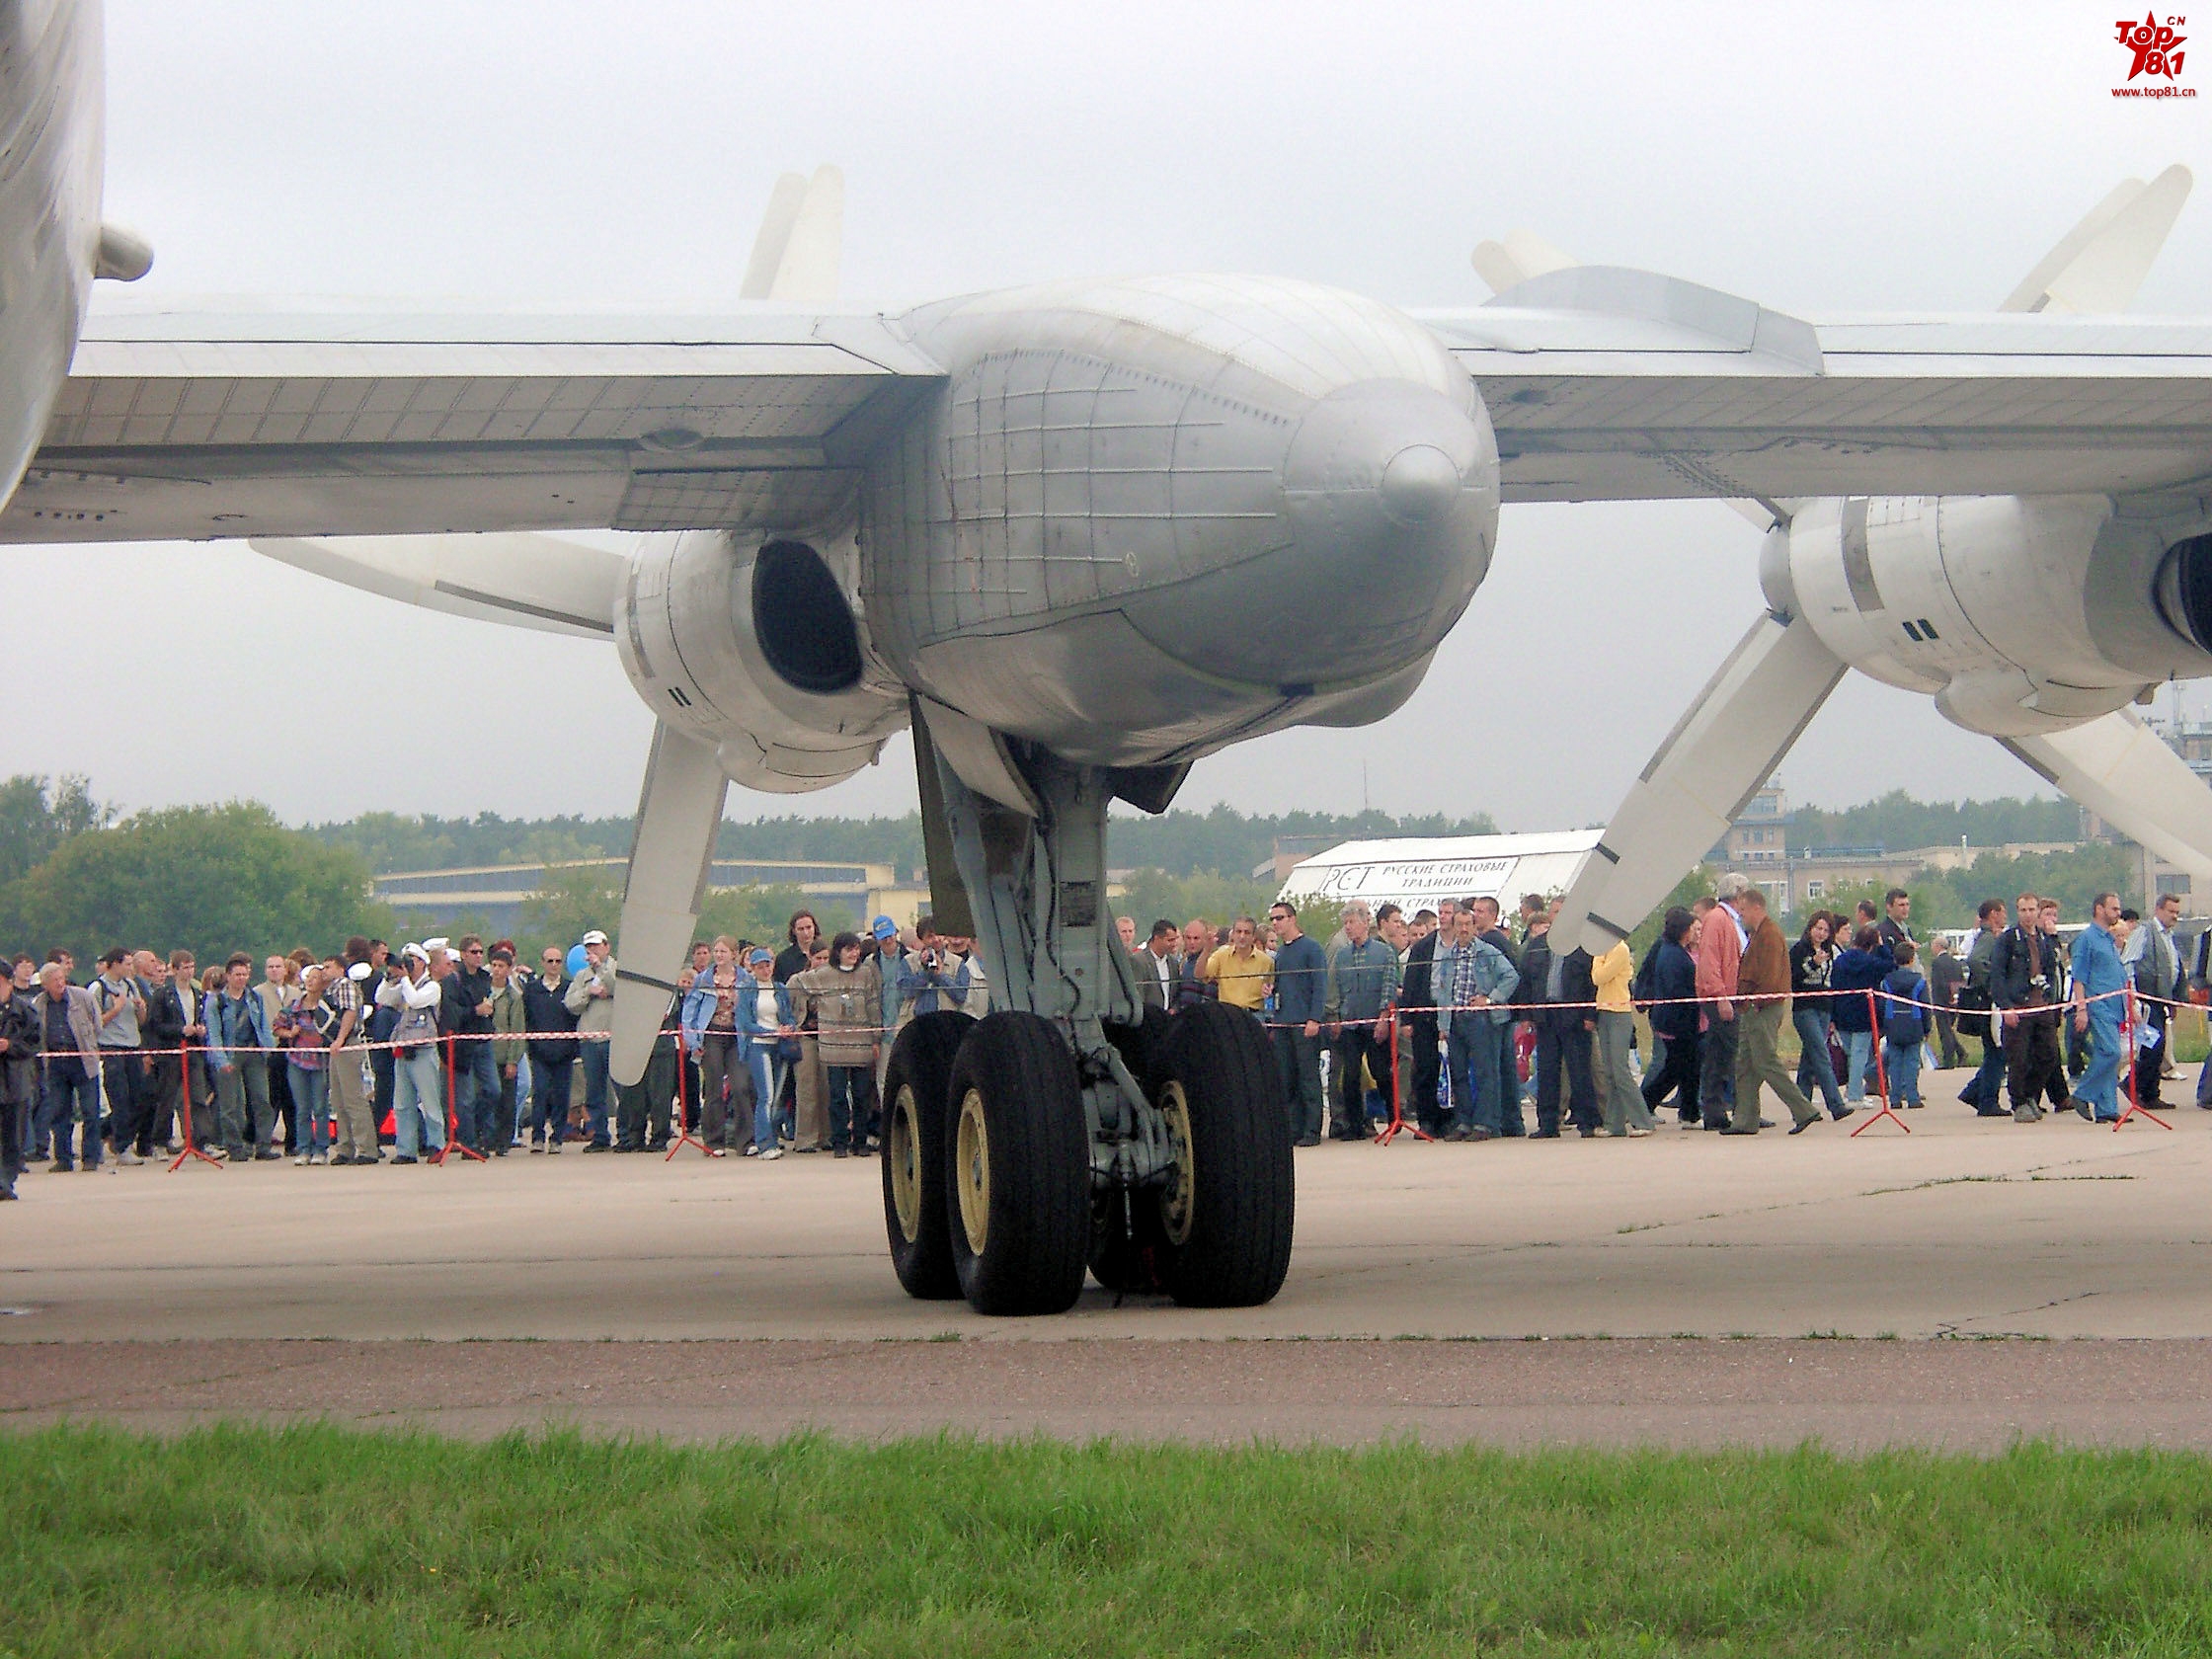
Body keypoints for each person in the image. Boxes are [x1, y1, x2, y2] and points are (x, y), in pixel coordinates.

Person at [1729, 888, 1822, 1135]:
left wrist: (1756, 1002)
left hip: (1763, 1007)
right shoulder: (1758, 934)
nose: (1741, 915)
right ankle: (1744, 1120)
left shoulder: (1769, 935)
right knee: (1745, 1065)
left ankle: (1803, 1110)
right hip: (1754, 1007)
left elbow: (1770, 975)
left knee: (1766, 1061)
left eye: (1744, 910)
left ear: (1757, 908)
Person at [789, 931, 883, 1157]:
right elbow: (794, 984)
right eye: (849, 949)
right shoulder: (824, 974)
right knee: (838, 1096)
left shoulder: (866, 974)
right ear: (838, 951)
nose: (854, 953)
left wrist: (876, 1038)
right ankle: (839, 1141)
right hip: (833, 1046)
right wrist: (802, 1014)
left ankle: (859, 1141)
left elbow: (872, 1005)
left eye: (856, 949)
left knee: (861, 1096)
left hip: (861, 1044)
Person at [1436, 906, 1519, 1140]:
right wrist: (1443, 1024)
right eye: (1459, 925)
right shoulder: (1448, 955)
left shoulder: (1487, 951)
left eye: (1467, 924)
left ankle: (1486, 1123)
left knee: (1485, 1072)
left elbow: (1511, 976)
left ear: (1474, 926)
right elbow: (1443, 991)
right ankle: (1463, 1121)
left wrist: (1490, 998)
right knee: (1458, 1073)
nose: (1463, 929)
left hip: (1481, 1020)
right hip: (1455, 1019)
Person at [1322, 903, 1396, 1139]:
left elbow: (1389, 986)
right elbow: (1335, 987)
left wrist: (1384, 1018)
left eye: (1352, 922)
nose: (1348, 927)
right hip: (1350, 1023)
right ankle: (1355, 1125)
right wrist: (1335, 1016)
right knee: (1350, 1074)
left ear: (1365, 923)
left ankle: (1394, 1115)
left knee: (1380, 1071)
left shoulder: (1383, 952)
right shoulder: (1342, 956)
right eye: (1345, 923)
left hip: (1375, 1021)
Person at [1991, 892, 2064, 1121]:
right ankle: (2019, 1101)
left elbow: (2052, 969)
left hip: (2041, 1005)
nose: (2028, 914)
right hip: (2018, 1006)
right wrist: (2005, 1006)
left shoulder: (2043, 939)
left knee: (2049, 1055)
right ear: (2017, 911)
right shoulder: (2008, 939)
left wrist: (2051, 998)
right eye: (2023, 910)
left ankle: (2031, 1094)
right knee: (2018, 1057)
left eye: (2032, 910)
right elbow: (1997, 973)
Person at [1266, 901, 1327, 1146]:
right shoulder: (1281, 952)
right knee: (1287, 1077)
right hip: (1283, 1022)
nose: (1275, 923)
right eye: (1272, 919)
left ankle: (1312, 1130)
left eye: (1279, 918)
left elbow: (1320, 985)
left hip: (1304, 1023)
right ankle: (1294, 1127)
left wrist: (1314, 1018)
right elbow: (1282, 986)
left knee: (1308, 1078)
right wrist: (1270, 991)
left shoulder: (1311, 948)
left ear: (1292, 918)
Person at [1693, 875, 1751, 1134]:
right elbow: (1709, 962)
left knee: (1719, 1055)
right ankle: (1739, 1110)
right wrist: (1721, 996)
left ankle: (1717, 1111)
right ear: (1738, 895)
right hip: (1722, 997)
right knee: (1731, 1055)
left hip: (1729, 996)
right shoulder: (1717, 919)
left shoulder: (1729, 920)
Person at [206, 954, 276, 1161]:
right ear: (228, 976)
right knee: (232, 1103)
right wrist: (221, 1060)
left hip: (254, 1052)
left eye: (245, 974)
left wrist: (268, 1049)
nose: (241, 978)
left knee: (262, 1099)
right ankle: (234, 1146)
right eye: (237, 974)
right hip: (230, 1053)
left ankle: (263, 1145)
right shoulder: (217, 1001)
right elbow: (214, 1032)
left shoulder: (255, 998)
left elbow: (264, 1025)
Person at [1637, 908, 1703, 1125]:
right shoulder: (1673, 955)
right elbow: (1676, 989)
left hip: (1676, 1019)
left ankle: (1688, 1111)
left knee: (1685, 1067)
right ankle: (1646, 1103)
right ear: (1683, 930)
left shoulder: (1672, 950)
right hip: (1677, 1020)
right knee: (1677, 1068)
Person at [34, 963, 102, 1171]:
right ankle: (63, 1159)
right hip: (55, 1063)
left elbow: (97, 1024)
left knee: (90, 1110)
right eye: (54, 981)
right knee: (60, 1112)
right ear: (45, 984)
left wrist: (90, 1046)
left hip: (82, 1060)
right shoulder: (39, 1005)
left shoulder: (82, 997)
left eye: (61, 978)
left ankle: (90, 1158)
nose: (60, 983)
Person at [683, 936, 747, 1156]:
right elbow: (689, 1010)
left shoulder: (745, 978)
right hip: (712, 1036)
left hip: (736, 1037)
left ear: (733, 954)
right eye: (716, 951)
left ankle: (745, 1141)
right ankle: (713, 1142)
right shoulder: (704, 979)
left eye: (723, 951)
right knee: (713, 1089)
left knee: (740, 1087)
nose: (719, 955)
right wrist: (692, 1040)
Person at [2070, 891, 2129, 1123]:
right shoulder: (2086, 939)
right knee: (2111, 1051)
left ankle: (2106, 1107)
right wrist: (2082, 1008)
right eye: (2113, 908)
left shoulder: (2109, 939)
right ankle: (2083, 1093)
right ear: (2099, 909)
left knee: (2111, 1056)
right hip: (2098, 1004)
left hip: (2115, 1005)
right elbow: (2079, 977)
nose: (2118, 913)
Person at [1396, 898, 1454, 1139]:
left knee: (1450, 1068)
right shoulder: (1423, 947)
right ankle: (1427, 1120)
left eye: (1448, 912)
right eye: (1440, 912)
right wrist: (1407, 1017)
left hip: (1451, 1014)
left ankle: (1450, 1119)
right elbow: (1411, 982)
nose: (1443, 916)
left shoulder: (1464, 946)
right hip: (1424, 1014)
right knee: (1425, 1068)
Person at [614, 960, 683, 1153]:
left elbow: (662, 1013)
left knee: (660, 1095)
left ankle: (659, 1137)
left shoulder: (668, 986)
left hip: (661, 1046)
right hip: (636, 1044)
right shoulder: (632, 987)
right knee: (634, 1093)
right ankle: (635, 1136)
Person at [441, 935, 502, 1155]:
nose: (478, 956)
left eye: (480, 952)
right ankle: (468, 1143)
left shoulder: (485, 978)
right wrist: (475, 1011)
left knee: (493, 1090)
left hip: (483, 1040)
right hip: (462, 1045)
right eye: (474, 952)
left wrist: (487, 1012)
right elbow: (451, 1013)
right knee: (464, 1098)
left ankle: (477, 1128)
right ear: (464, 954)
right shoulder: (452, 981)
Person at [273, 964, 338, 1164]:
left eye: (315, 978)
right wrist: (289, 1033)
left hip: (320, 1062)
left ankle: (321, 1148)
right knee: (301, 1107)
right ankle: (303, 1148)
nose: (310, 981)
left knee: (320, 1106)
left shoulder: (327, 1007)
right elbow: (277, 1027)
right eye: (308, 977)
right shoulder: (294, 1007)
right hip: (297, 1061)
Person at [87, 948, 148, 1164]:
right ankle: (123, 1146)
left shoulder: (131, 986)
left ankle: (103, 1132)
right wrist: (116, 1009)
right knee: (119, 1098)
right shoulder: (98, 988)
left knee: (140, 1096)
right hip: (111, 1048)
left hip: (132, 1045)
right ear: (114, 964)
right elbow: (93, 1024)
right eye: (127, 964)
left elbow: (141, 1021)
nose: (130, 968)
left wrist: (141, 1008)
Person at [1787, 912, 1850, 1121]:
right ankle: (1836, 1104)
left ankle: (1802, 1107)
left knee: (1809, 1059)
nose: (1821, 933)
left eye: (1825, 930)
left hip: (1824, 1007)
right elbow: (1794, 978)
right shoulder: (1799, 950)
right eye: (1818, 928)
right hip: (1805, 1008)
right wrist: (1813, 963)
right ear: (1810, 928)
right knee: (1822, 1055)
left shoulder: (1829, 951)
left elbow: (1830, 981)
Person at [2122, 892, 2180, 1108]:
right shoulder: (2144, 932)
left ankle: (2150, 1093)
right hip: (2146, 1000)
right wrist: (2134, 999)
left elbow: (2173, 969)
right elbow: (2128, 963)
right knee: (2152, 1047)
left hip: (2162, 1000)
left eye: (2177, 912)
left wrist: (2174, 1000)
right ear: (2158, 910)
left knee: (2159, 1047)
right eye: (2171, 911)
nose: (2174, 916)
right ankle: (2131, 1084)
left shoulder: (2168, 935)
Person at [1590, 935, 1652, 1137]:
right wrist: (1599, 960)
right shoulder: (1601, 950)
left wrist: (1599, 960)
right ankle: (1613, 1123)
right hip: (1603, 1010)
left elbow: (1599, 977)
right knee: (1609, 1071)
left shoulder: (1619, 949)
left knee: (1620, 1069)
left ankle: (1642, 1120)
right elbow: (1596, 976)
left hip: (1619, 1012)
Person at [1827, 926, 1895, 1109]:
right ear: (1872, 944)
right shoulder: (1871, 962)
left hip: (1841, 1012)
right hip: (1864, 1013)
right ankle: (1855, 1095)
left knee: (1851, 1053)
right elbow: (1891, 965)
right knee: (1860, 1055)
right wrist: (1882, 947)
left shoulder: (1840, 961)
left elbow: (1832, 986)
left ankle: (1852, 1088)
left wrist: (1832, 1015)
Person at [733, 946, 789, 1160]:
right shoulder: (747, 991)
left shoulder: (780, 988)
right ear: (753, 968)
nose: (765, 970)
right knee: (765, 1095)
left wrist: (787, 1027)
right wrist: (770, 1031)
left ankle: (769, 1136)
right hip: (757, 1045)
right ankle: (765, 1144)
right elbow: (746, 1023)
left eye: (768, 965)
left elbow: (788, 1016)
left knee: (776, 1097)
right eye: (760, 966)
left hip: (779, 1045)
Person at [521, 946, 581, 1151]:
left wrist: (573, 1047)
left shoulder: (569, 988)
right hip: (540, 1051)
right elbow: (527, 1019)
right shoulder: (532, 989)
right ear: (543, 963)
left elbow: (575, 1017)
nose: (554, 965)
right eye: (550, 961)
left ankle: (557, 1137)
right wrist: (531, 1045)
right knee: (541, 1093)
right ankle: (538, 1136)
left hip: (564, 1051)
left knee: (562, 1095)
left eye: (558, 961)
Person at [565, 929, 617, 1151]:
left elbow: (617, 987)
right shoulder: (581, 975)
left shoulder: (616, 968)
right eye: (589, 947)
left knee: (622, 1087)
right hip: (589, 1039)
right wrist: (589, 991)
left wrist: (601, 970)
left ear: (606, 946)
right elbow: (570, 1003)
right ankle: (600, 1136)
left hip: (613, 1036)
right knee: (594, 1091)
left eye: (596, 946)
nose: (592, 951)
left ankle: (627, 1134)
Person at [1957, 899, 2009, 1114]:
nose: (2005, 916)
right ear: (1993, 914)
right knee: (1996, 1052)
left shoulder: (1989, 936)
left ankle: (1974, 1092)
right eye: (2002, 912)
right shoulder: (1988, 938)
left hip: (1988, 1001)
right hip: (1989, 1003)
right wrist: (1993, 981)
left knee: (1995, 1052)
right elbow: (1976, 961)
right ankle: (1987, 1100)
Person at [1876, 941, 1931, 1114]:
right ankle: (1912, 1097)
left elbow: (1881, 1005)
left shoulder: (1886, 982)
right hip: (1914, 1024)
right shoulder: (1919, 982)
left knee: (1895, 1063)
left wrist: (1883, 1026)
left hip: (1893, 1024)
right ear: (1912, 959)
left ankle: (1895, 1098)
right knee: (1912, 1062)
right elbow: (1925, 1006)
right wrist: (1927, 1028)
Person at [485, 947, 526, 1154]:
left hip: (504, 1056)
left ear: (509, 969)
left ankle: (504, 1141)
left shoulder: (513, 997)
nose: (497, 970)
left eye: (501, 966)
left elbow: (517, 1030)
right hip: (485, 1056)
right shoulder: (483, 991)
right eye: (494, 965)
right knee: (486, 1097)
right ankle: (487, 1137)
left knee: (506, 1101)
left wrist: (513, 1060)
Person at [0, 969, 38, 1197]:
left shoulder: (24, 1011)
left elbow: (34, 1043)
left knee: (13, 1136)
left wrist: (10, 1046)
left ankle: (5, 1181)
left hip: (15, 1080)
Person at [1204, 915, 1276, 1019]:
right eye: (1238, 932)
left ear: (1254, 936)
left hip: (1254, 1016)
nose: (1242, 936)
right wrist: (1206, 950)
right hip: (1227, 1015)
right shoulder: (1220, 956)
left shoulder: (1267, 961)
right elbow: (1200, 975)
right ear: (1233, 934)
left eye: (1247, 932)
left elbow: (1270, 990)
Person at [1927, 936, 1968, 1070]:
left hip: (1942, 1001)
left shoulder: (1937, 963)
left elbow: (1938, 983)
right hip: (1955, 1000)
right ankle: (1961, 1053)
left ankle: (1949, 1060)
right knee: (1948, 1030)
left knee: (1945, 1032)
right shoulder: (1955, 962)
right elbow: (1961, 980)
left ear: (1938, 946)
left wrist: (1939, 1000)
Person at [1132, 919, 1179, 1011]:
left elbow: (1176, 993)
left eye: (1175, 939)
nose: (1174, 944)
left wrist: (1174, 1009)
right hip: (1149, 1020)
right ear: (1157, 938)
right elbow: (1138, 996)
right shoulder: (1138, 961)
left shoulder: (1173, 963)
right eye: (1170, 940)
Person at [1175, 919, 1215, 1009]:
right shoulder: (1184, 963)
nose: (1192, 942)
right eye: (1188, 938)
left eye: (1196, 938)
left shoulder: (1211, 961)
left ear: (1205, 939)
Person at [1876, 888, 1915, 954]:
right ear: (1889, 907)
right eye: (1901, 905)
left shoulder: (1906, 930)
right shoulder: (1882, 932)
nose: (1905, 908)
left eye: (1907, 904)